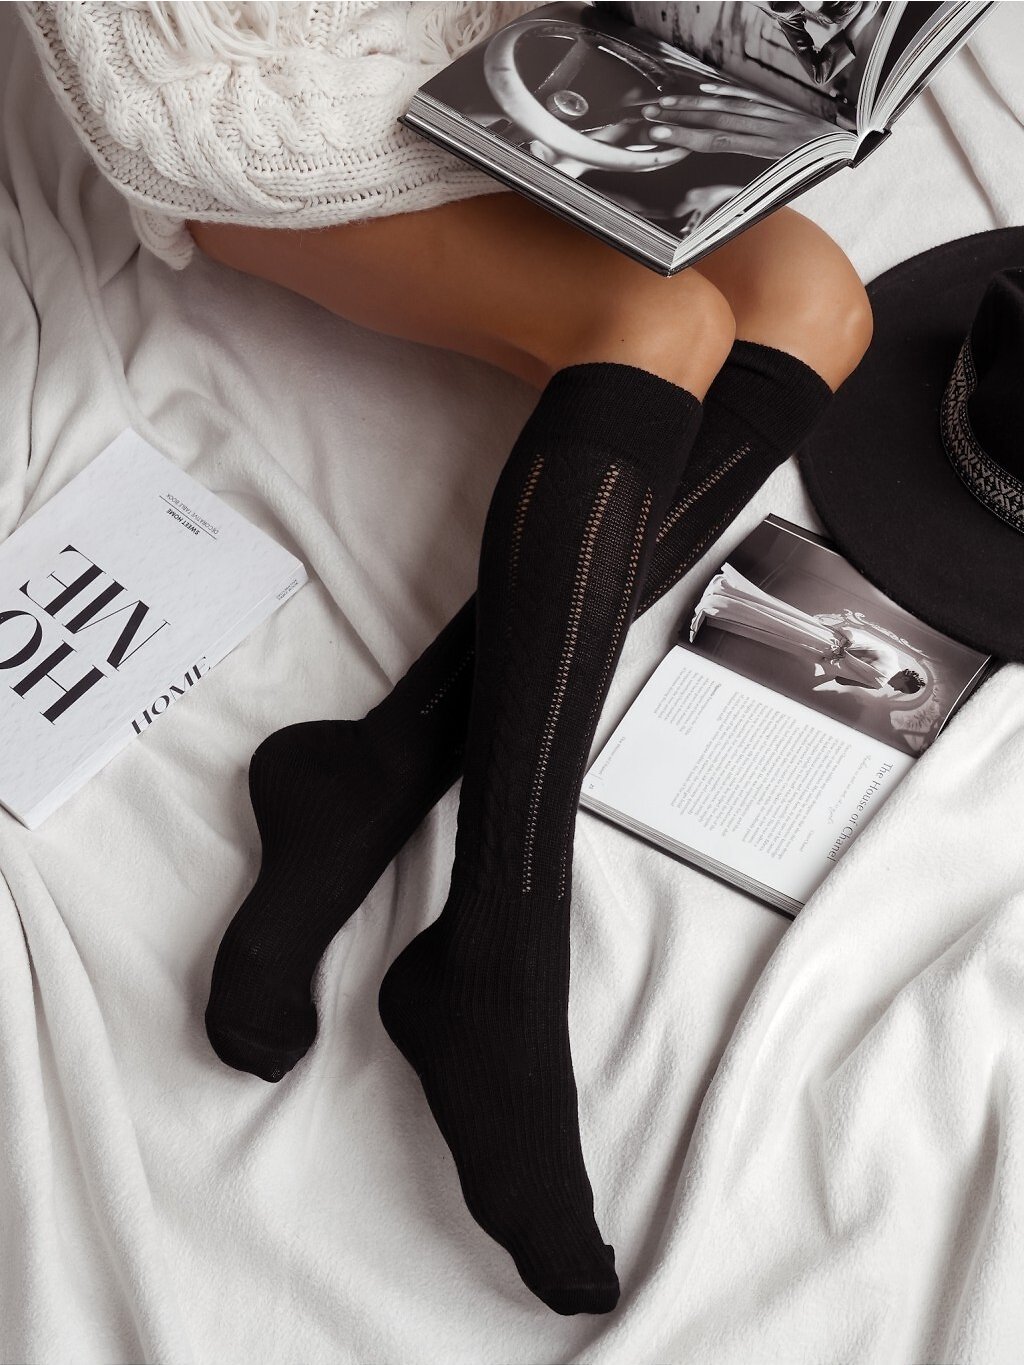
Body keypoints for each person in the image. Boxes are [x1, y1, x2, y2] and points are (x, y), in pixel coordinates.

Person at [24, 1, 873, 1317]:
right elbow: (164, 119)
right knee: (656, 326)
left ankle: (376, 766)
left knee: (818, 306)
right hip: (273, 121)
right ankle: (501, 940)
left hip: (509, 75)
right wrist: (489, 136)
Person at [690, 562, 928, 701]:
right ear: (905, 678)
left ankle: (725, 591)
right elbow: (841, 678)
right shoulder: (879, 683)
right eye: (901, 688)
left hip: (829, 636)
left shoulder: (891, 654)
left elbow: (856, 636)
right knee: (772, 630)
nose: (895, 689)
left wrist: (840, 641)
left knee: (781, 615)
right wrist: (838, 664)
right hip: (822, 651)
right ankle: (718, 606)